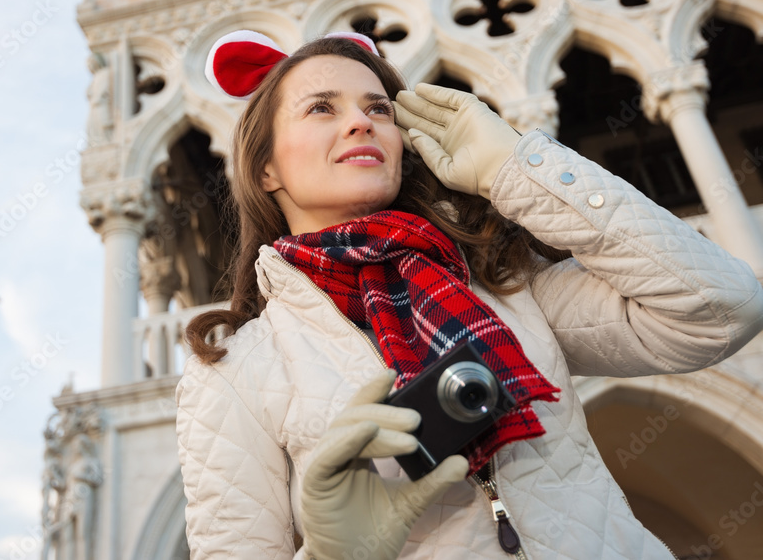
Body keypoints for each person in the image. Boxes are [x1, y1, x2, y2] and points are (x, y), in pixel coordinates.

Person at [175, 30, 763, 559]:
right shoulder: (234, 372)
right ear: (265, 170)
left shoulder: (510, 289)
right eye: (321, 108)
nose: (361, 122)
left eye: (377, 107)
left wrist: (512, 166)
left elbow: (720, 310)